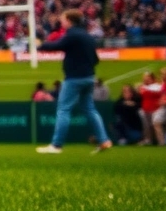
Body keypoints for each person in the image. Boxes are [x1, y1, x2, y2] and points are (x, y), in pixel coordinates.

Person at [36, 8, 112, 154]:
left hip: (74, 78)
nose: (61, 21)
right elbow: (95, 59)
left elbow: (57, 45)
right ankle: (104, 140)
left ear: (69, 21)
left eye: (63, 19)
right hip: (89, 77)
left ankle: (56, 145)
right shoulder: (87, 36)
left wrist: (39, 45)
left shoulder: (73, 34)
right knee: (90, 109)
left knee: (63, 110)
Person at [137, 72, 162, 144]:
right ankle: (148, 140)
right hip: (146, 109)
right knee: (147, 126)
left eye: (147, 78)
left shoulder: (157, 86)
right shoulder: (143, 87)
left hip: (155, 109)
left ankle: (160, 141)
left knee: (156, 125)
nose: (145, 79)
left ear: (152, 79)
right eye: (144, 78)